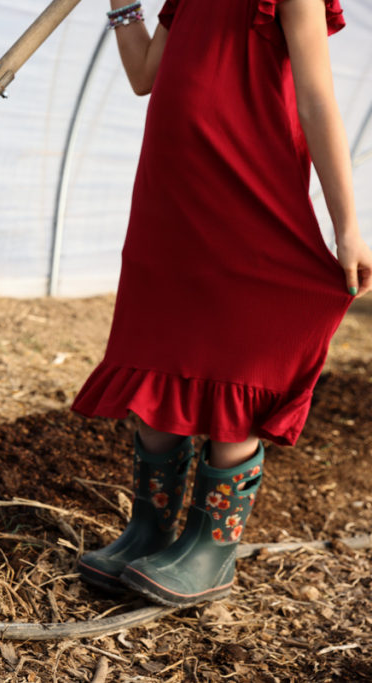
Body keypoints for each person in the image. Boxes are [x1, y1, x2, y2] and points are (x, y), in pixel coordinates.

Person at [72, 0, 372, 607]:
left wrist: (346, 226)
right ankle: (148, 531)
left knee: (241, 346)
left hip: (247, 183)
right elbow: (144, 76)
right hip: (172, 191)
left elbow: (316, 99)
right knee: (158, 344)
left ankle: (211, 549)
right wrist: (123, 7)